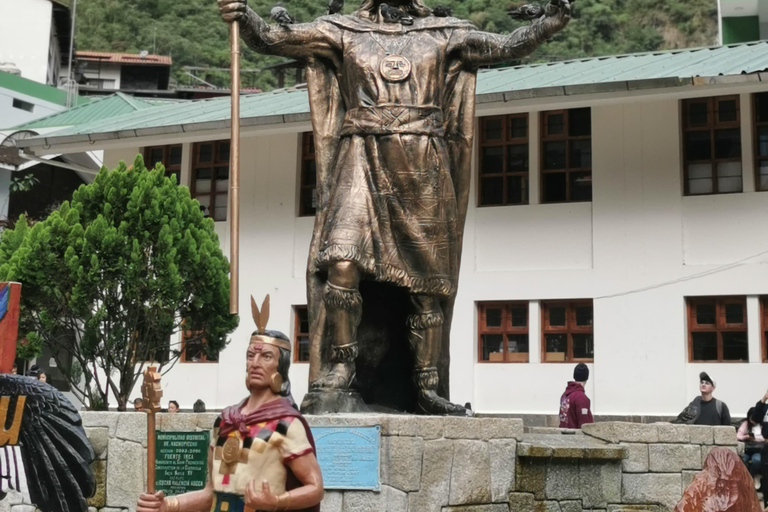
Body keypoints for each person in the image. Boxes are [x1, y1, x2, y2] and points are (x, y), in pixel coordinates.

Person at [218, 0, 571, 416]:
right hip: (360, 156)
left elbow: (506, 46)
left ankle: (426, 387)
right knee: (342, 262)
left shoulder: (445, 33)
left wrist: (551, 23)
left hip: (422, 163)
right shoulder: (343, 30)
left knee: (426, 286)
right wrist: (246, 16)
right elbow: (277, 38)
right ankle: (341, 368)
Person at [137, 299, 324, 512]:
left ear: (280, 367)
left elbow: (315, 487)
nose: (255, 363)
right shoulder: (225, 421)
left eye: (266, 356)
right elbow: (211, 493)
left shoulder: (285, 424)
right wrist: (169, 505)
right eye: (251, 355)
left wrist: (278, 502)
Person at [559, 363, 594, 428]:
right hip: (576, 436)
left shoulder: (565, 395)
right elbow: (585, 423)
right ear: (587, 377)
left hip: (564, 434)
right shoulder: (580, 397)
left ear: (574, 376)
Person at [737, 407, 764, 477]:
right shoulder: (745, 424)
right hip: (746, 450)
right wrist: (746, 437)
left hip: (758, 450)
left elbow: (765, 437)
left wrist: (754, 438)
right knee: (741, 460)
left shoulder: (763, 425)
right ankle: (746, 477)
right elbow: (738, 436)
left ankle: (753, 476)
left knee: (757, 460)